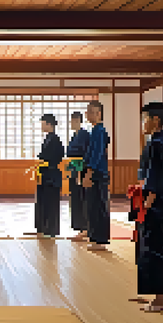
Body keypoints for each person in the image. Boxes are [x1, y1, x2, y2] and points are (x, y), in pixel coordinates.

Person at [131, 102, 163, 312]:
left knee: (155, 248)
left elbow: (157, 176)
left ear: (155, 120)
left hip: (155, 203)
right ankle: (157, 294)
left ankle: (162, 299)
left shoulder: (158, 144)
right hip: (155, 201)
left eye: (145, 119)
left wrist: (148, 202)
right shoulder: (158, 143)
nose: (143, 123)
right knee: (152, 246)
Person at [81, 101, 111, 251]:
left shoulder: (100, 131)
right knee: (92, 206)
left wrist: (89, 173)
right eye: (87, 111)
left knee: (99, 206)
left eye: (91, 111)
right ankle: (94, 237)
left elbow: (97, 155)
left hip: (98, 174)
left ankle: (100, 240)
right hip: (94, 173)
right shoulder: (94, 130)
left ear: (99, 113)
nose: (88, 114)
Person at [34, 114, 65, 238]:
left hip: (51, 175)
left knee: (51, 203)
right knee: (43, 202)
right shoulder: (48, 138)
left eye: (43, 123)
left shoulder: (55, 140)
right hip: (45, 174)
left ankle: (51, 229)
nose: (41, 126)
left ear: (49, 124)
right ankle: (43, 227)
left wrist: (45, 162)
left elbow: (57, 156)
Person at [66, 112, 90, 241]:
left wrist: (81, 171)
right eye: (71, 121)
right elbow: (69, 151)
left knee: (82, 198)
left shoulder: (84, 135)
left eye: (74, 121)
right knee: (74, 197)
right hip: (74, 168)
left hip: (81, 169)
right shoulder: (74, 136)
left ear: (79, 121)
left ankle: (85, 227)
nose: (72, 123)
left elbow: (83, 152)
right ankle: (78, 227)